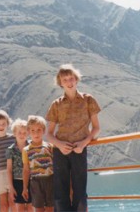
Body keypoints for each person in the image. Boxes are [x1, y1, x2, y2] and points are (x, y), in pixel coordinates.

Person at [46, 64, 101, 212]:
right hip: (59, 152)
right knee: (60, 193)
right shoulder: (56, 104)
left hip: (79, 150)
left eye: (71, 78)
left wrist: (84, 143)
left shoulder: (88, 100)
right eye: (65, 80)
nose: (69, 82)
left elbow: (96, 127)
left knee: (80, 191)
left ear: (76, 79)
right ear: (60, 83)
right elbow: (48, 134)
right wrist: (59, 144)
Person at [22, 115, 54, 212]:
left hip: (50, 180)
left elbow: (56, 165)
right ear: (28, 132)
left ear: (44, 131)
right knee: (38, 208)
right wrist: (25, 188)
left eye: (39, 130)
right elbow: (26, 169)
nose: (36, 133)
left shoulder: (49, 146)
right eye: (33, 130)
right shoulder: (26, 150)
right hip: (35, 182)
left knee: (50, 207)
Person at [6, 118, 34, 212]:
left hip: (31, 180)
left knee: (31, 206)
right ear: (14, 133)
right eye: (19, 132)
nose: (22, 135)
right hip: (17, 182)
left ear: (28, 133)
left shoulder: (32, 147)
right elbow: (9, 169)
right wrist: (11, 187)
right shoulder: (10, 150)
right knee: (20, 208)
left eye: (24, 133)